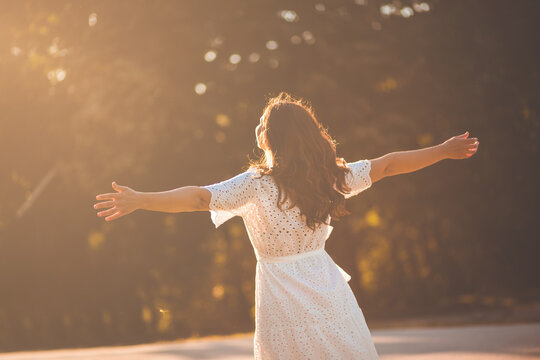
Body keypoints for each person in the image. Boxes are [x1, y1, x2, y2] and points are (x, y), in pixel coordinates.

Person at [93, 92, 479, 359]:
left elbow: (198, 198)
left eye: (262, 122)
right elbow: (389, 164)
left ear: (270, 135)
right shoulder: (330, 175)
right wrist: (442, 151)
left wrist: (142, 200)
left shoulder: (255, 184)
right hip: (326, 286)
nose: (257, 126)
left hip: (281, 294)